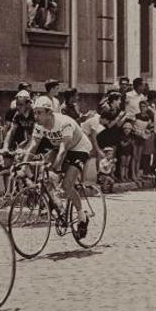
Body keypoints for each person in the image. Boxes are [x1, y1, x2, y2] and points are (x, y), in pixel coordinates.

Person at [24, 96, 93, 237]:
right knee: (45, 177)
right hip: (58, 148)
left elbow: (63, 150)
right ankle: (58, 206)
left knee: (67, 185)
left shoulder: (63, 123)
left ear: (49, 113)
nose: (36, 116)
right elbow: (32, 146)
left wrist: (55, 170)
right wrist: (24, 165)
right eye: (35, 112)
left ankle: (82, 217)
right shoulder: (39, 125)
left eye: (39, 112)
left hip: (79, 149)